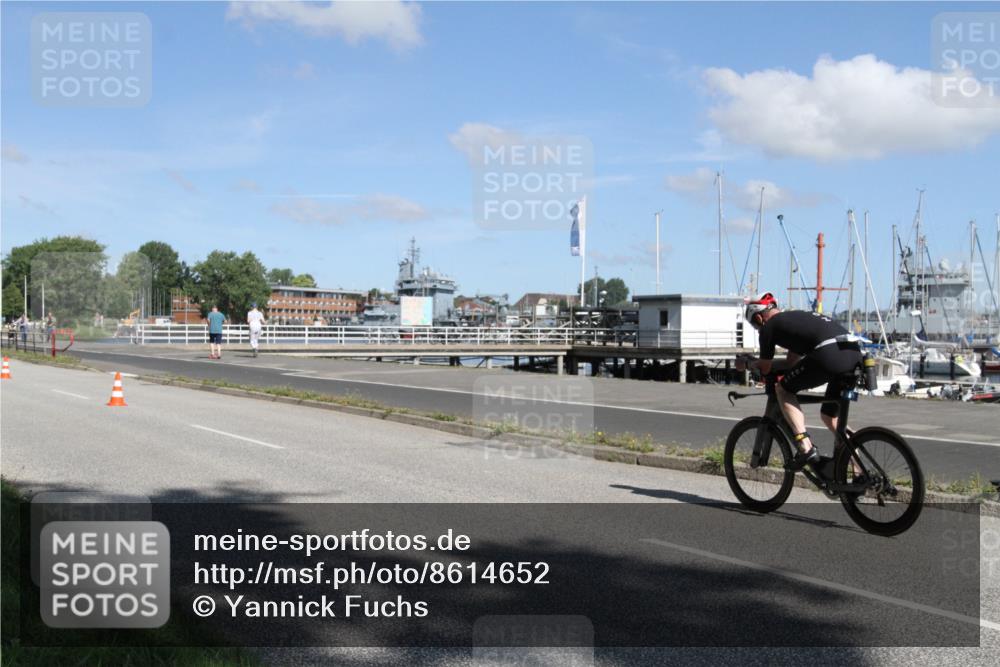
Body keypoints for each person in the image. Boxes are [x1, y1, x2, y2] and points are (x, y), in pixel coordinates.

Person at [737, 293, 863, 471]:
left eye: (755, 325)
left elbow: (764, 369)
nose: (758, 329)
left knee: (782, 390)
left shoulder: (769, 327)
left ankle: (805, 447)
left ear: (758, 317)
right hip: (854, 355)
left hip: (829, 354)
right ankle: (859, 470)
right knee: (831, 418)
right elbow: (790, 363)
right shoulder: (795, 320)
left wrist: (747, 363)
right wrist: (761, 363)